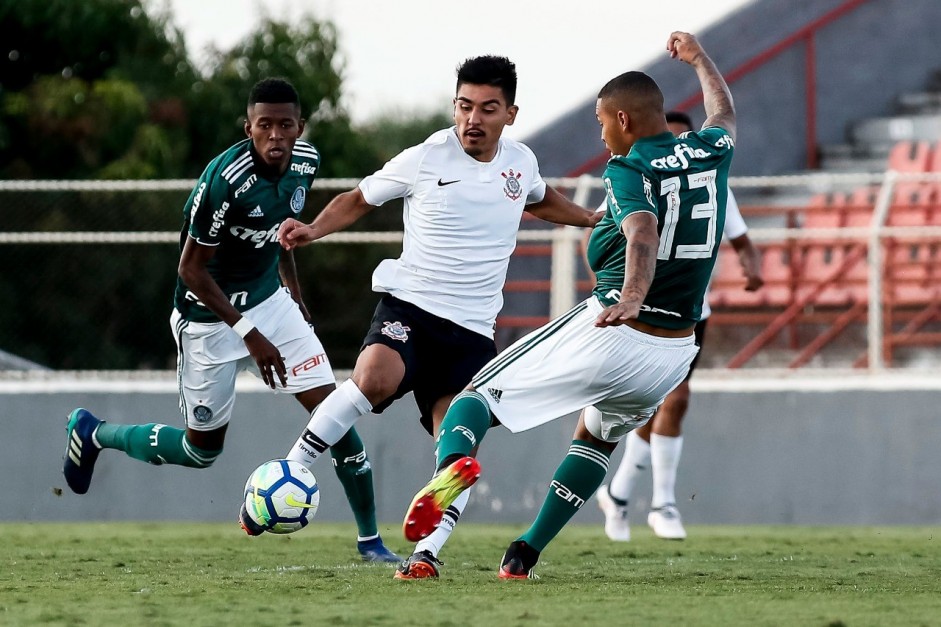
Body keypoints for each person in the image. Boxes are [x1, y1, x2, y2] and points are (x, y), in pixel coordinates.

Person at [401, 31, 736, 579]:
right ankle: (524, 553)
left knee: (471, 401)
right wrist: (701, 58)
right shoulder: (709, 148)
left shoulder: (629, 168)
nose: (601, 134)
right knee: (597, 438)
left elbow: (643, 228)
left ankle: (451, 471)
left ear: (624, 120)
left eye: (603, 121)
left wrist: (630, 295)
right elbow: (724, 111)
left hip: (615, 329)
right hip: (674, 354)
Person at [272, 55, 599, 580]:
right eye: (465, 106)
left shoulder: (521, 162)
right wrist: (313, 229)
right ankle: (288, 472)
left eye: (488, 109)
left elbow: (539, 200)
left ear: (510, 113)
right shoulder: (426, 156)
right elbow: (359, 198)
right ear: (454, 107)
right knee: (374, 379)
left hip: (471, 333)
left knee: (457, 446)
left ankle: (425, 554)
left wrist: (587, 217)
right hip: (412, 307)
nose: (474, 118)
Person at [62, 77, 400, 563]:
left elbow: (280, 233)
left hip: (271, 304)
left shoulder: (306, 163)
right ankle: (93, 432)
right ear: (249, 128)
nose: (276, 135)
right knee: (202, 451)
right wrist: (249, 332)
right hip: (208, 318)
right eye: (265, 125)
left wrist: (293, 294)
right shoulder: (225, 180)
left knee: (337, 416)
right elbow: (190, 269)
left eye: (286, 125)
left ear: (300, 127)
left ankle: (371, 543)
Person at [596, 110, 763, 542]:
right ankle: (625, 495)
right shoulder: (635, 179)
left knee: (676, 399)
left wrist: (751, 268)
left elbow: (741, 237)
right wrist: (615, 285)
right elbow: (599, 233)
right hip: (639, 313)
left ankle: (655, 501)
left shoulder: (709, 180)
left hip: (689, 313)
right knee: (645, 406)